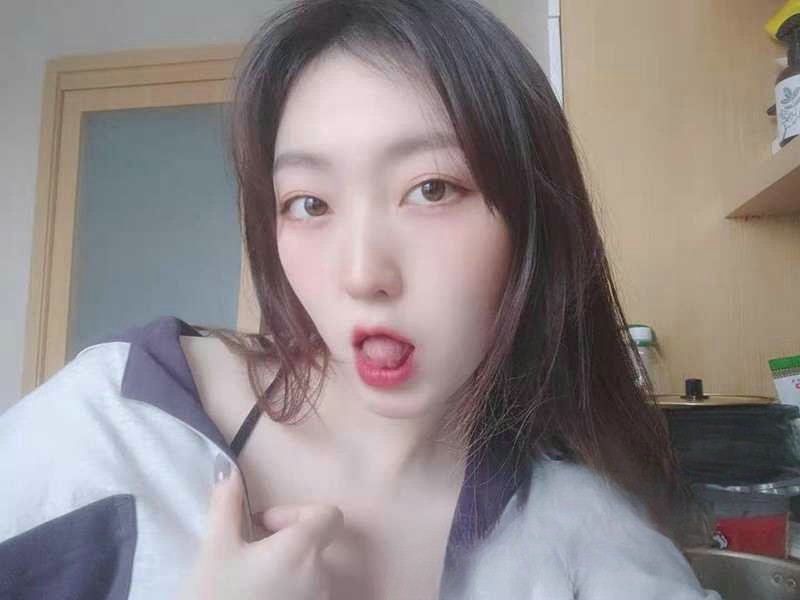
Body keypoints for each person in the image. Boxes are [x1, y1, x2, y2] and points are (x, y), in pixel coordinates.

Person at [0, 1, 722, 598]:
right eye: (309, 203)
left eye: (431, 189)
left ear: (533, 220)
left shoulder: (588, 540)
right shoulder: (120, 423)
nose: (361, 273)